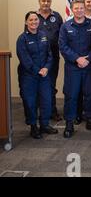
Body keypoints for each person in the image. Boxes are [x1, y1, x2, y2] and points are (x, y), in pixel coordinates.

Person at [59, 0, 91, 138]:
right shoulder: (66, 26)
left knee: (90, 94)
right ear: (72, 9)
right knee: (71, 95)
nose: (79, 10)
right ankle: (69, 123)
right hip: (73, 67)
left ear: (85, 9)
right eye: (76, 8)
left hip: (89, 66)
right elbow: (63, 46)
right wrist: (77, 59)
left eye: (81, 8)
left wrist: (87, 59)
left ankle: (90, 120)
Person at [16, 11, 58, 139]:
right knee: (30, 101)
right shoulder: (22, 39)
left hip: (44, 74)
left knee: (46, 100)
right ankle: (33, 126)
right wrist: (37, 70)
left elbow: (50, 55)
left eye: (35, 20)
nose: (34, 22)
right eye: (31, 20)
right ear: (26, 22)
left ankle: (44, 125)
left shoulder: (43, 35)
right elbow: (24, 58)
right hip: (29, 76)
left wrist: (46, 68)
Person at [36, 0, 63, 121]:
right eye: (43, 1)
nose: (46, 3)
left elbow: (63, 37)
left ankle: (52, 111)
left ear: (51, 2)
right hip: (38, 58)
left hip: (53, 57)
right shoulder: (33, 16)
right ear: (39, 2)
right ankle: (42, 112)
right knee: (40, 84)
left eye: (48, 1)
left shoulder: (57, 16)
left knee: (51, 84)